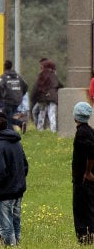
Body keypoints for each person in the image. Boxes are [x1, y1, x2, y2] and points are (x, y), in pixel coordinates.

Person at [0, 115, 29, 246]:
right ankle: (17, 245)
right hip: (18, 190)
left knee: (5, 226)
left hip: (4, 192)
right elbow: (25, 166)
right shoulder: (17, 143)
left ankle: (10, 246)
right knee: (15, 222)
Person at [71, 102, 94, 245]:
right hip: (85, 180)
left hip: (83, 180)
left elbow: (91, 153)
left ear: (76, 117)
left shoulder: (82, 133)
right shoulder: (90, 130)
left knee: (82, 211)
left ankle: (85, 239)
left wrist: (88, 171)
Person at [31, 60, 63, 132]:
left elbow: (37, 87)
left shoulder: (42, 75)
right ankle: (53, 130)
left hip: (43, 98)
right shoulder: (54, 75)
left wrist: (36, 97)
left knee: (41, 114)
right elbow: (60, 85)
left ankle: (40, 129)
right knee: (52, 114)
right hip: (53, 97)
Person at [0, 60, 28, 132]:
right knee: (8, 116)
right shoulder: (18, 76)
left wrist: (1, 96)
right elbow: (25, 86)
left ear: (4, 67)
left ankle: (11, 132)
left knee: (7, 118)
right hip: (18, 100)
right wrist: (21, 94)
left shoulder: (3, 76)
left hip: (8, 100)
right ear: (11, 67)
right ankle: (21, 124)